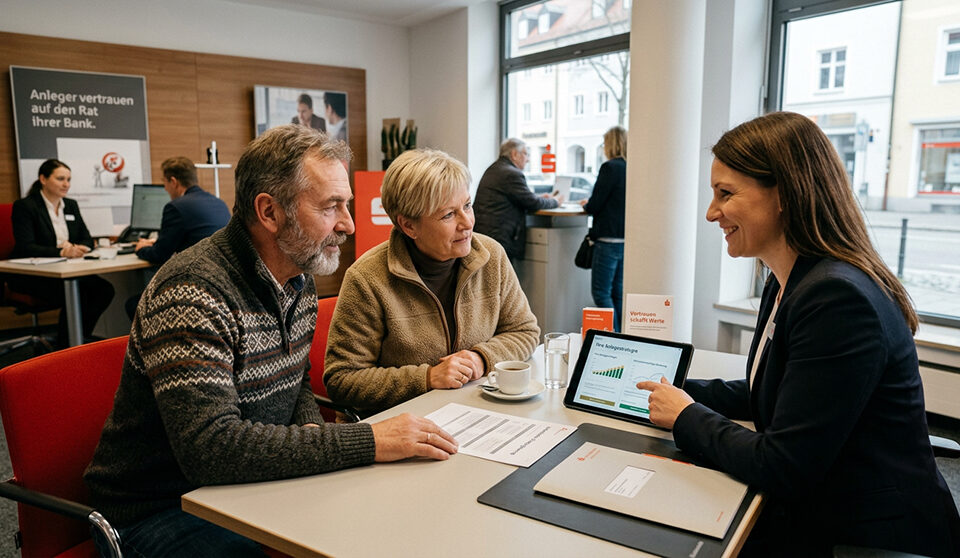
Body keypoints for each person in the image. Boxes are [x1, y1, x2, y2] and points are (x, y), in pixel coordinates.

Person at [84, 125, 458, 557]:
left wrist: (314, 435)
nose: (349, 224)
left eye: (347, 204)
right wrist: (368, 441)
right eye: (331, 207)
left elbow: (293, 383)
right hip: (157, 509)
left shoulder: (297, 279)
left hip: (245, 488)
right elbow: (211, 449)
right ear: (269, 212)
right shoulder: (192, 292)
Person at [637, 112, 960, 558]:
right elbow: (776, 392)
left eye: (725, 194)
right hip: (820, 505)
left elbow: (784, 465)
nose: (712, 213)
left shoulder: (836, 298)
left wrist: (687, 416)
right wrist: (678, 390)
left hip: (863, 534)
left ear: (784, 194)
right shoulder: (787, 279)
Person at [323, 148, 540, 417]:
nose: (467, 223)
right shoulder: (367, 278)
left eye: (467, 205)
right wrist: (427, 377)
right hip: (399, 425)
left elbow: (524, 331)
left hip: (474, 412)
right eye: (448, 215)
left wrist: (481, 358)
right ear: (409, 226)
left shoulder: (491, 255)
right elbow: (342, 380)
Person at [10, 159, 115, 348]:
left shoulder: (71, 205)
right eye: (60, 179)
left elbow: (86, 238)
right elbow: (26, 247)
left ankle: (77, 339)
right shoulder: (26, 206)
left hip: (66, 271)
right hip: (34, 275)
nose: (66, 184)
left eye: (68, 179)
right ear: (43, 179)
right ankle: (67, 346)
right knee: (80, 293)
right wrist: (62, 251)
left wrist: (80, 248)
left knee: (104, 290)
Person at [125, 156, 231, 318]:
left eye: (165, 183)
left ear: (173, 181)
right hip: (222, 288)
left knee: (133, 304)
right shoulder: (219, 203)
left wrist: (141, 248)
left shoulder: (175, 207)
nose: (165, 188)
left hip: (195, 290)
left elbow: (159, 255)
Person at [473, 138, 563, 266]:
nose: (528, 159)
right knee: (500, 275)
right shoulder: (511, 174)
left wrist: (539, 197)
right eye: (526, 154)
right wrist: (555, 202)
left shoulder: (495, 168)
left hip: (486, 233)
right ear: (514, 154)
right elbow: (533, 203)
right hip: (498, 237)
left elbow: (520, 197)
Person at [579, 126, 626, 331]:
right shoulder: (630, 167)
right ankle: (622, 335)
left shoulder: (610, 167)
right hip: (624, 240)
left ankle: (613, 337)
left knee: (601, 293)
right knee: (617, 293)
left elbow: (595, 205)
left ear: (611, 144)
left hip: (607, 239)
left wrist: (586, 205)